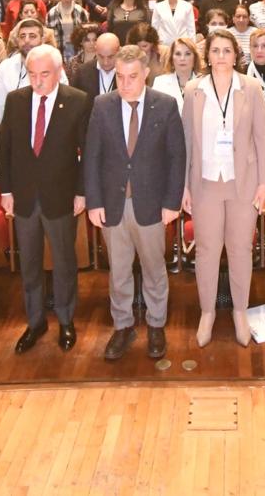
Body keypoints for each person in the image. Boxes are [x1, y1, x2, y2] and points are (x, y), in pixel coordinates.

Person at [82, 44, 186, 362]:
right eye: (120, 77)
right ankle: (123, 325)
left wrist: (171, 202)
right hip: (112, 205)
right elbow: (92, 157)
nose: (125, 84)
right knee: (119, 271)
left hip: (152, 205)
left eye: (132, 77)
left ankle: (156, 325)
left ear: (145, 75)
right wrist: (94, 201)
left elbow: (176, 157)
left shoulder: (165, 106)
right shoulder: (102, 105)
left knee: (155, 269)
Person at [181, 28, 265, 348]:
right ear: (208, 56)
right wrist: (183, 187)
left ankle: (240, 312)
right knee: (206, 250)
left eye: (226, 51)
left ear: (236, 55)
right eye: (215, 51)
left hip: (242, 182)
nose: (221, 57)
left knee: (240, 249)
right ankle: (207, 312)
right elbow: (186, 144)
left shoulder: (251, 87)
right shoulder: (193, 90)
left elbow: (262, 139)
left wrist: (264, 183)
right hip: (204, 182)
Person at [0, 44, 90, 354]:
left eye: (44, 74)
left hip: (61, 196)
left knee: (64, 262)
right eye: (32, 74)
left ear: (59, 72)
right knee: (30, 265)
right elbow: (5, 149)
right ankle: (35, 321)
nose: (37, 81)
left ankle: (65, 319)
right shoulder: (15, 101)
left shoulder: (76, 101)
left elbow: (86, 153)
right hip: (23, 197)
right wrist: (6, 191)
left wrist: (81, 191)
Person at [155, 35, 204, 115]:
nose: (182, 58)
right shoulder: (160, 83)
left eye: (187, 54)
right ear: (171, 58)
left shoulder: (205, 83)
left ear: (195, 58)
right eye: (178, 54)